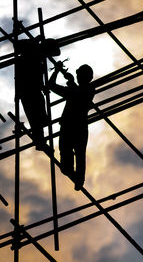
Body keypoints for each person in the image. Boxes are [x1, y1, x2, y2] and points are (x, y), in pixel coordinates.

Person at [47, 62, 95, 190]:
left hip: (75, 128)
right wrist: (57, 71)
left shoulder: (89, 89)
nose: (78, 77)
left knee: (79, 156)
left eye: (79, 75)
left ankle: (79, 179)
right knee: (66, 165)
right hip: (69, 127)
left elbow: (79, 95)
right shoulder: (75, 89)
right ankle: (76, 176)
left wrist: (70, 81)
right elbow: (51, 85)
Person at [15, 37, 60, 150]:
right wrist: (34, 41)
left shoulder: (37, 55)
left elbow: (36, 76)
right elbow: (17, 46)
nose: (47, 56)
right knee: (36, 117)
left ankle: (40, 140)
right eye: (48, 53)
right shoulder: (31, 50)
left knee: (39, 116)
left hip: (33, 89)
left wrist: (42, 86)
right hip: (28, 89)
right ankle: (40, 142)